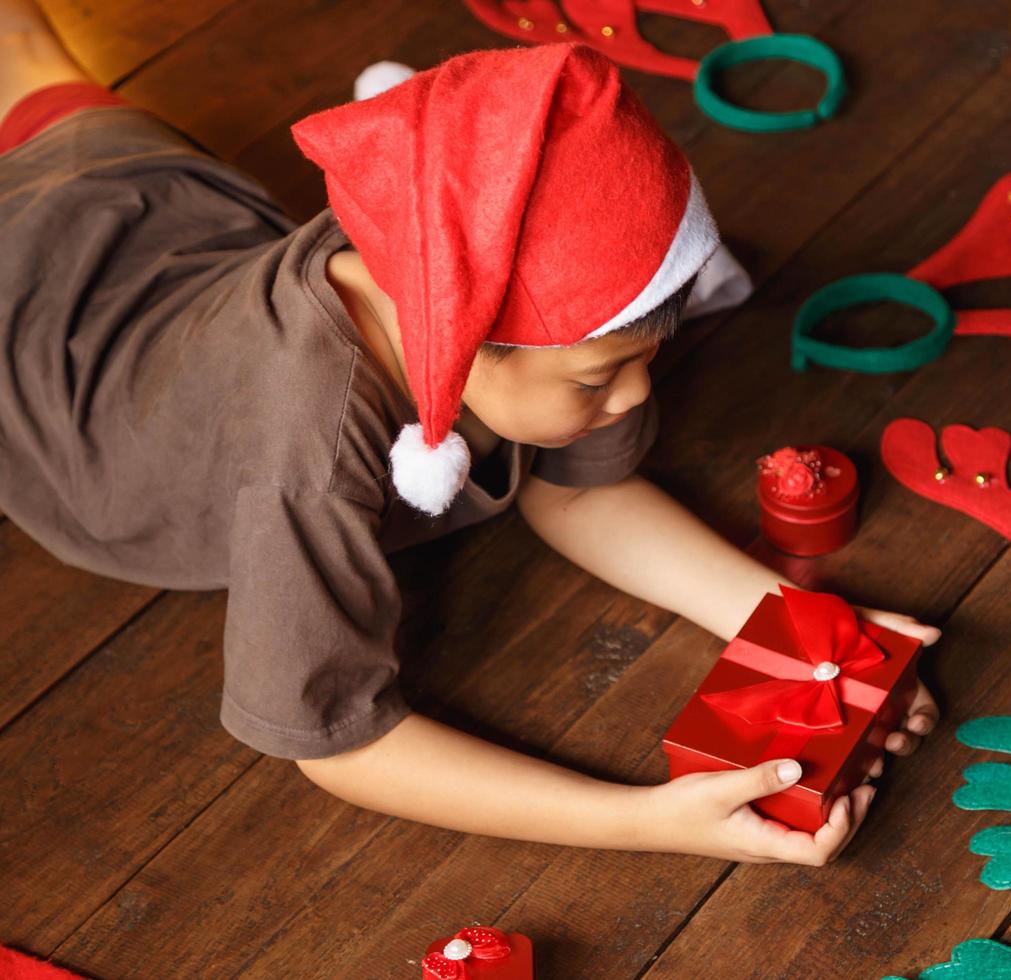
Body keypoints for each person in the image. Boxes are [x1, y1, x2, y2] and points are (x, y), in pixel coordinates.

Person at [0, 0, 941, 866]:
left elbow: (576, 491)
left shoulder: (423, 238)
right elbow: (345, 743)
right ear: (462, 349)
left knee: (36, 66)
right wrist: (640, 820)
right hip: (47, 373)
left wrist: (802, 631)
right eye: (598, 375)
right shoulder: (307, 458)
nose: (633, 395)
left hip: (131, 196)